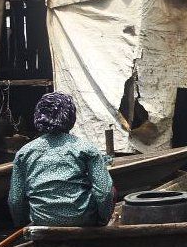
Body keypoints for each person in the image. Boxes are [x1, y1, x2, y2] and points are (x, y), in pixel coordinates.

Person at [8, 92, 114, 227]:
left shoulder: (24, 153)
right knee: (112, 189)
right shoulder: (86, 148)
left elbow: (15, 200)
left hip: (41, 220)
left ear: (38, 116)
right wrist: (102, 221)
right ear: (70, 117)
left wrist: (22, 225)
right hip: (82, 219)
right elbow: (104, 192)